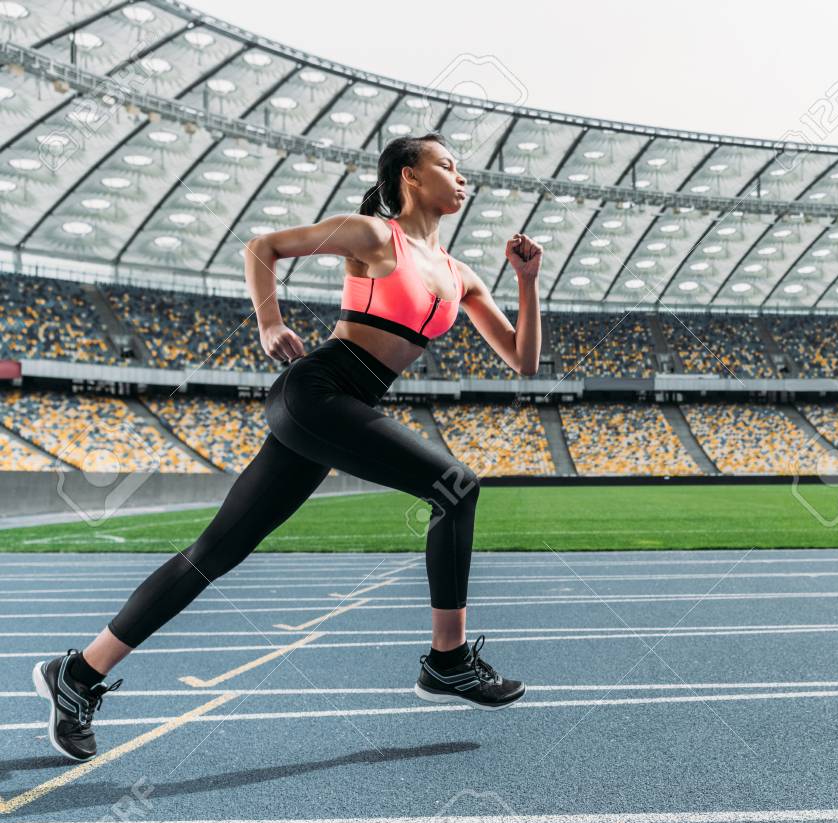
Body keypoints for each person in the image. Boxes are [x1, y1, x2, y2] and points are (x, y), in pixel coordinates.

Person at [32, 133, 543, 762]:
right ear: (410, 176)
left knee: (214, 552)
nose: (462, 178)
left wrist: (527, 280)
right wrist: (269, 320)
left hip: (341, 410)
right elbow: (264, 246)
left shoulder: (461, 276)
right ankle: (449, 660)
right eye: (448, 165)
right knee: (456, 487)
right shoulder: (373, 237)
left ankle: (78, 675)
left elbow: (523, 359)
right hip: (317, 391)